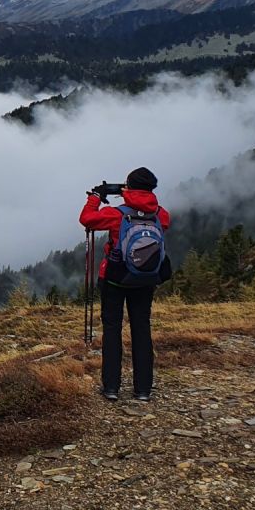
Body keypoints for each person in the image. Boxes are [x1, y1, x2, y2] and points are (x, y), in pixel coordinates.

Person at [80, 166, 171, 403]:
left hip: (115, 278)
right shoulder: (161, 214)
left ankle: (111, 387)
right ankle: (143, 390)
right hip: (146, 278)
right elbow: (164, 223)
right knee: (142, 328)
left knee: (112, 329)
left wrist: (95, 198)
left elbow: (86, 219)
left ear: (129, 187)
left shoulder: (116, 214)